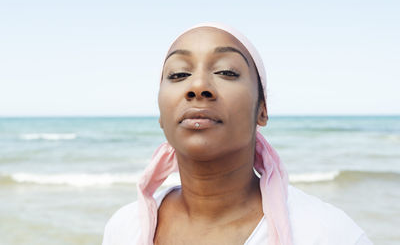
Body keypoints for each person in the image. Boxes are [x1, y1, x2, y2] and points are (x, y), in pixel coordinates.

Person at [102, 23, 373, 245]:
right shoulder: (124, 229)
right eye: (179, 74)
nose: (197, 86)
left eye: (226, 71)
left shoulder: (329, 234)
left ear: (262, 110)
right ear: (161, 114)